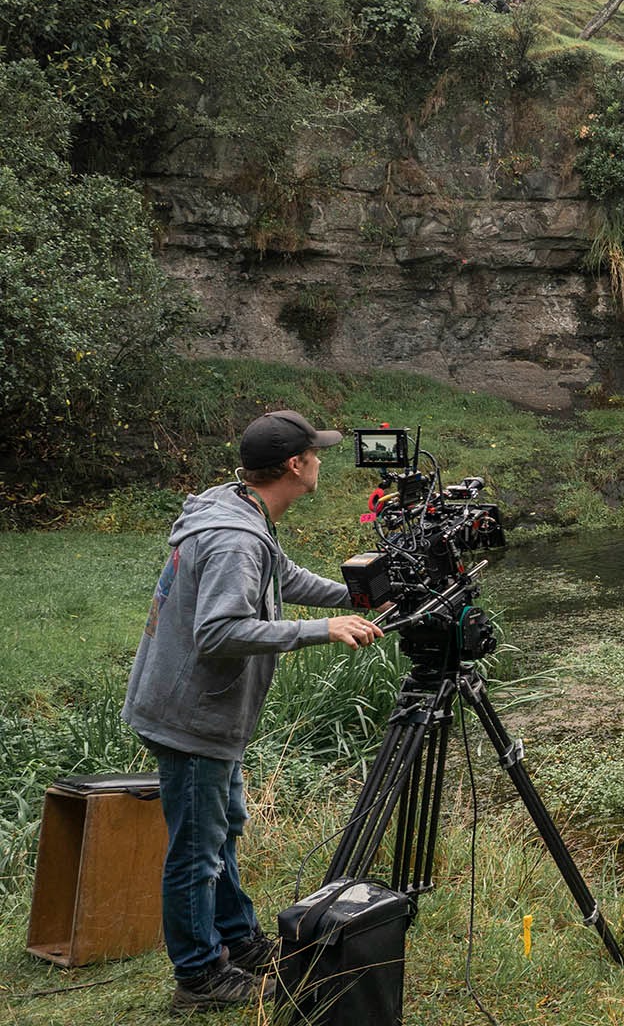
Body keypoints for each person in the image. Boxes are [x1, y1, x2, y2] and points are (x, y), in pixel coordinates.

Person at [122, 410, 384, 1013]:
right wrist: (323, 629)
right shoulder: (236, 537)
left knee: (223, 827)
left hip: (199, 711)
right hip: (191, 718)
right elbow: (220, 631)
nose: (320, 460)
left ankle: (238, 941)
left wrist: (358, 593)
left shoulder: (238, 507)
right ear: (295, 465)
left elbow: (281, 574)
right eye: (315, 453)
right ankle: (199, 976)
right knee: (196, 849)